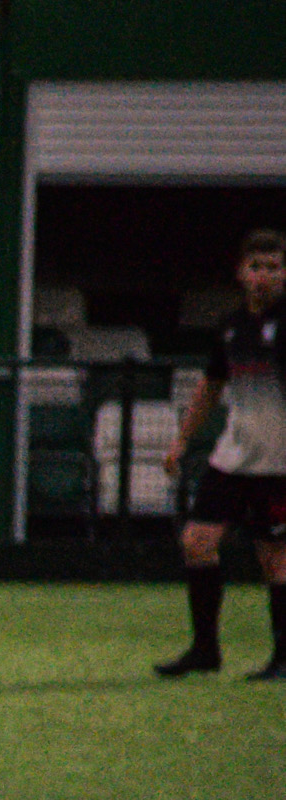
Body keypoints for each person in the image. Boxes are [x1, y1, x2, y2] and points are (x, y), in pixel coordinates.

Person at [155, 227, 286, 681]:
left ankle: (283, 658)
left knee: (275, 557)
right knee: (197, 541)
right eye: (256, 267)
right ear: (240, 272)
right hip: (233, 457)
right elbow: (211, 387)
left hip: (278, 463)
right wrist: (181, 439)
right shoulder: (230, 327)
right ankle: (205, 650)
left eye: (273, 268)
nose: (263, 276)